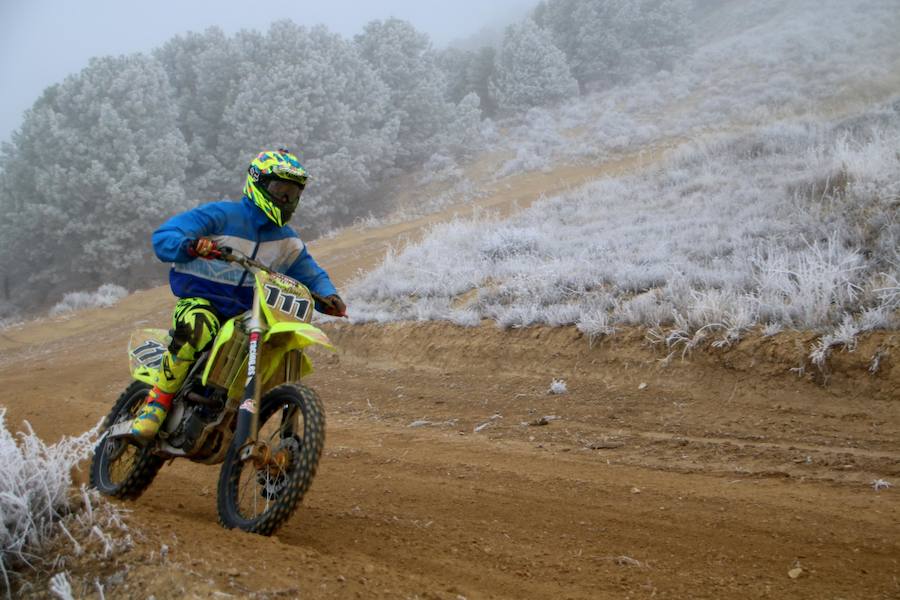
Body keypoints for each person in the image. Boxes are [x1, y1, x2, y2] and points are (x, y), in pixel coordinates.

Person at [131, 149, 346, 440]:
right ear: (257, 184)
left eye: (293, 194)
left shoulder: (287, 241)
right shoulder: (220, 216)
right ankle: (157, 401)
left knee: (278, 342)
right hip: (201, 303)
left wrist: (329, 296)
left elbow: (310, 273)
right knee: (199, 324)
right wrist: (192, 245)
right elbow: (165, 235)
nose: (286, 199)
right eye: (280, 190)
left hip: (249, 316)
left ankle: (236, 412)